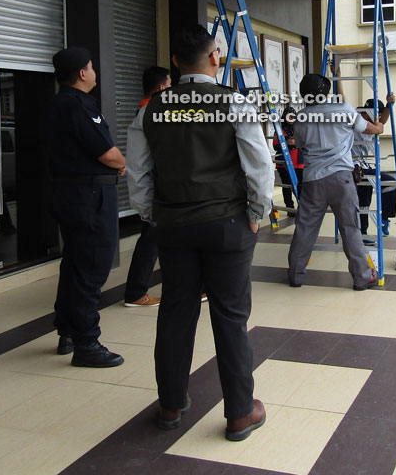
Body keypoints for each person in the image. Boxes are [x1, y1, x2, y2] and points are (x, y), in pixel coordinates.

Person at [127, 25, 274, 442]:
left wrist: (150, 215)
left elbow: (138, 173)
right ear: (215, 58)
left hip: (173, 226)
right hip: (227, 225)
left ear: (175, 62)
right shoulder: (235, 103)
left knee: (175, 310)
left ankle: (171, 405)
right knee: (230, 315)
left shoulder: (151, 110)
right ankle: (240, 413)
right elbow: (258, 168)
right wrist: (256, 213)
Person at [44, 47, 126, 368]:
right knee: (92, 265)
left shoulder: (55, 105)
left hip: (70, 193)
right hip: (89, 197)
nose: (94, 72)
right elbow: (107, 153)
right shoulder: (77, 105)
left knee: (75, 263)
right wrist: (120, 163)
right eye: (91, 67)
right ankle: (87, 342)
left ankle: (67, 329)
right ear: (82, 73)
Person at [287, 73, 383, 289]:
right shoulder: (345, 111)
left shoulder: (301, 117)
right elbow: (368, 129)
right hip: (341, 179)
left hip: (312, 180)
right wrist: (379, 127)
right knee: (350, 228)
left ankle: (295, 275)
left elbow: (300, 144)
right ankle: (362, 277)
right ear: (326, 93)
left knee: (305, 229)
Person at [124, 66, 171, 307]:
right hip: (157, 189)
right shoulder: (153, 112)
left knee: (155, 239)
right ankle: (135, 291)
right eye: (170, 84)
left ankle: (136, 290)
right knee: (151, 240)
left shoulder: (144, 109)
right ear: (162, 87)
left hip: (153, 189)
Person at [353, 96, 396, 237]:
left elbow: (382, 122)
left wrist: (389, 105)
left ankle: (384, 219)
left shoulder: (370, 121)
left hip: (365, 166)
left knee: (389, 184)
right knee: (362, 201)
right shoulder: (357, 120)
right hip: (354, 166)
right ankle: (362, 233)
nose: (378, 118)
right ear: (366, 112)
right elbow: (379, 127)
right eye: (376, 114)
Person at [272, 106, 304, 216]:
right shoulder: (279, 129)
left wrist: (296, 142)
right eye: (289, 117)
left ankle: (302, 206)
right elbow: (275, 145)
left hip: (299, 162)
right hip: (284, 163)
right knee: (287, 186)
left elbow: (306, 141)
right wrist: (286, 142)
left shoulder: (300, 128)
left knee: (301, 185)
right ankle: (290, 208)